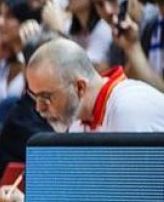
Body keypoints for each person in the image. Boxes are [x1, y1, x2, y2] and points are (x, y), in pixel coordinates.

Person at [25, 37, 164, 131]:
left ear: (79, 87)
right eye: (34, 97)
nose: (39, 108)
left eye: (45, 97)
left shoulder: (129, 108)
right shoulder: (76, 124)